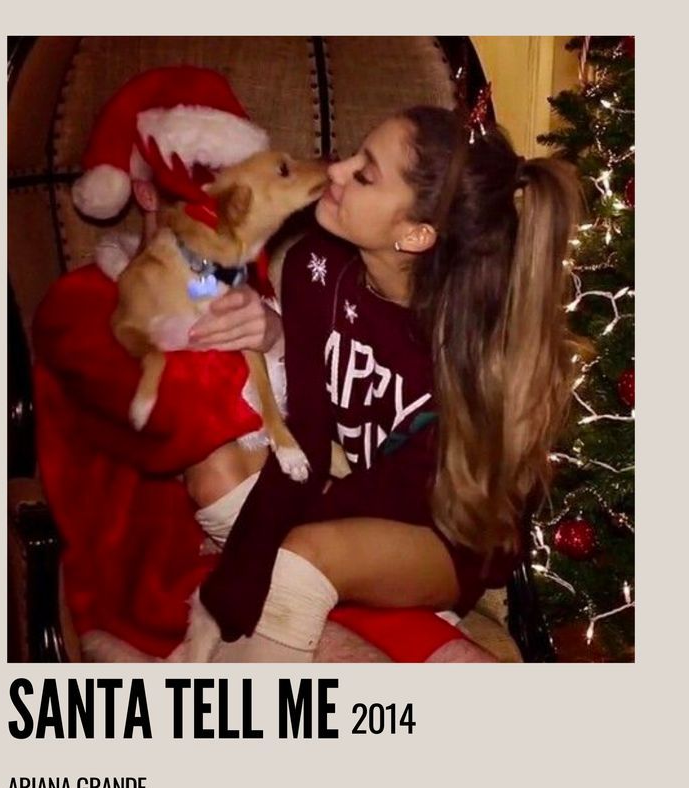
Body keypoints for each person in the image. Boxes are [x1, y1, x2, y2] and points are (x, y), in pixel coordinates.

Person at [182, 105, 584, 662]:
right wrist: (238, 572)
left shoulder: (461, 344)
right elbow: (305, 439)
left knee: (297, 560)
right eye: (352, 153)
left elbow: (409, 494)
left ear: (417, 234)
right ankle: (366, 616)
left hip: (446, 534)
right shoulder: (314, 266)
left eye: (364, 174)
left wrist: (254, 557)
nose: (336, 171)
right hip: (357, 487)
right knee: (226, 493)